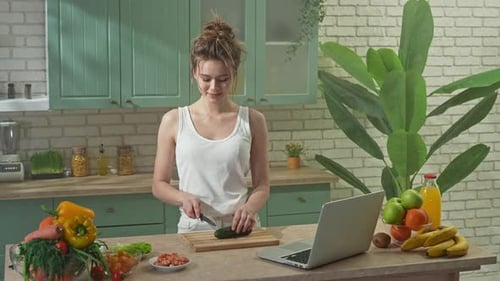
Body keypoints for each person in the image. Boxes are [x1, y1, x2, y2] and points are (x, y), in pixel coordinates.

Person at [152, 16, 270, 234]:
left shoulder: (253, 120)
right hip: (193, 227)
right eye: (206, 78)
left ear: (234, 74)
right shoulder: (174, 120)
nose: (214, 87)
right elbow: (159, 184)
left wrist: (250, 208)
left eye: (223, 79)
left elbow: (262, 184)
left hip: (241, 227)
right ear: (195, 73)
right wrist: (182, 197)